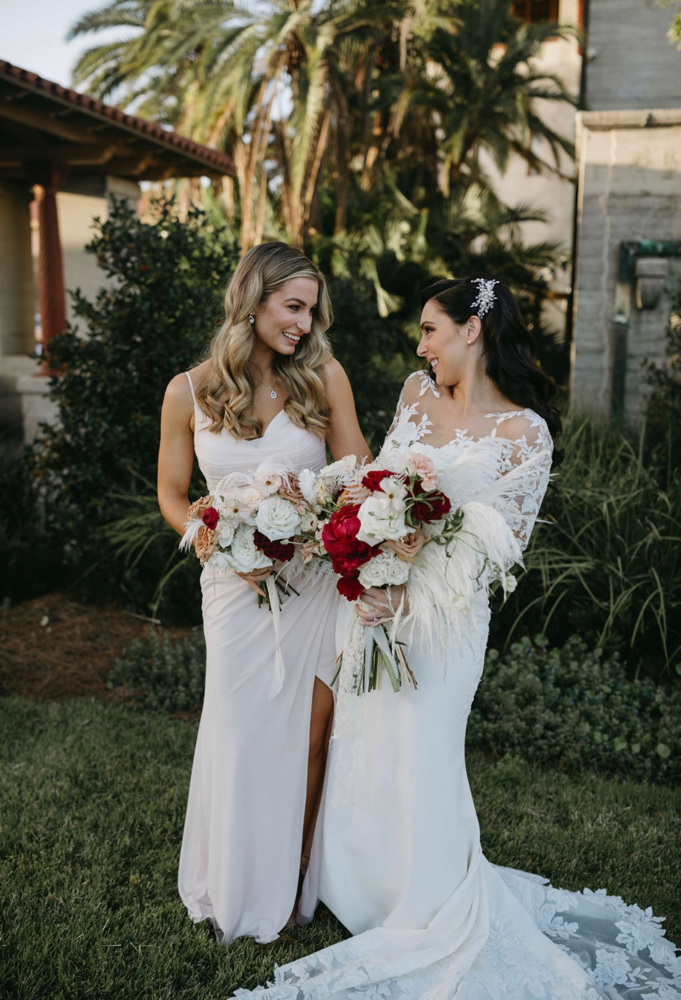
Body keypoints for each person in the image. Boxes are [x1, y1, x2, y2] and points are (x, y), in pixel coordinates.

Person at [238, 278, 680, 998]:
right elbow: (377, 481)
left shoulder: (524, 431)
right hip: (373, 602)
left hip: (444, 618)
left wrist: (415, 552)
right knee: (364, 742)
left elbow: (506, 545)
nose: (420, 347)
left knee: (421, 753)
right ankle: (354, 890)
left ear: (471, 330)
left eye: (430, 330)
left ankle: (423, 904)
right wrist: (369, 556)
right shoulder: (415, 392)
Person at [157, 241, 371, 945]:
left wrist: (323, 526)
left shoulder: (322, 377)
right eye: (294, 307)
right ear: (252, 300)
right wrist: (215, 538)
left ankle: (295, 883)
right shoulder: (187, 392)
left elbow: (361, 476)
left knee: (311, 739)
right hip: (232, 586)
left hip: (314, 584)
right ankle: (235, 885)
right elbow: (171, 494)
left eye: (311, 312)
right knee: (243, 734)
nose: (305, 325)